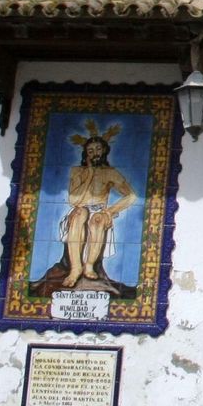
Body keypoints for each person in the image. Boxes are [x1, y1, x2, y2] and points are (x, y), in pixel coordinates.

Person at [58, 122, 136, 290]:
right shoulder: (77, 171)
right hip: (80, 208)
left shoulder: (110, 172)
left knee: (97, 220)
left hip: (100, 212)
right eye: (91, 150)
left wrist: (111, 211)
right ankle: (75, 268)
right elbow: (73, 200)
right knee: (80, 213)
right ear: (86, 153)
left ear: (105, 150)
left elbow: (131, 196)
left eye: (98, 149)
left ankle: (89, 265)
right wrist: (90, 174)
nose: (95, 153)